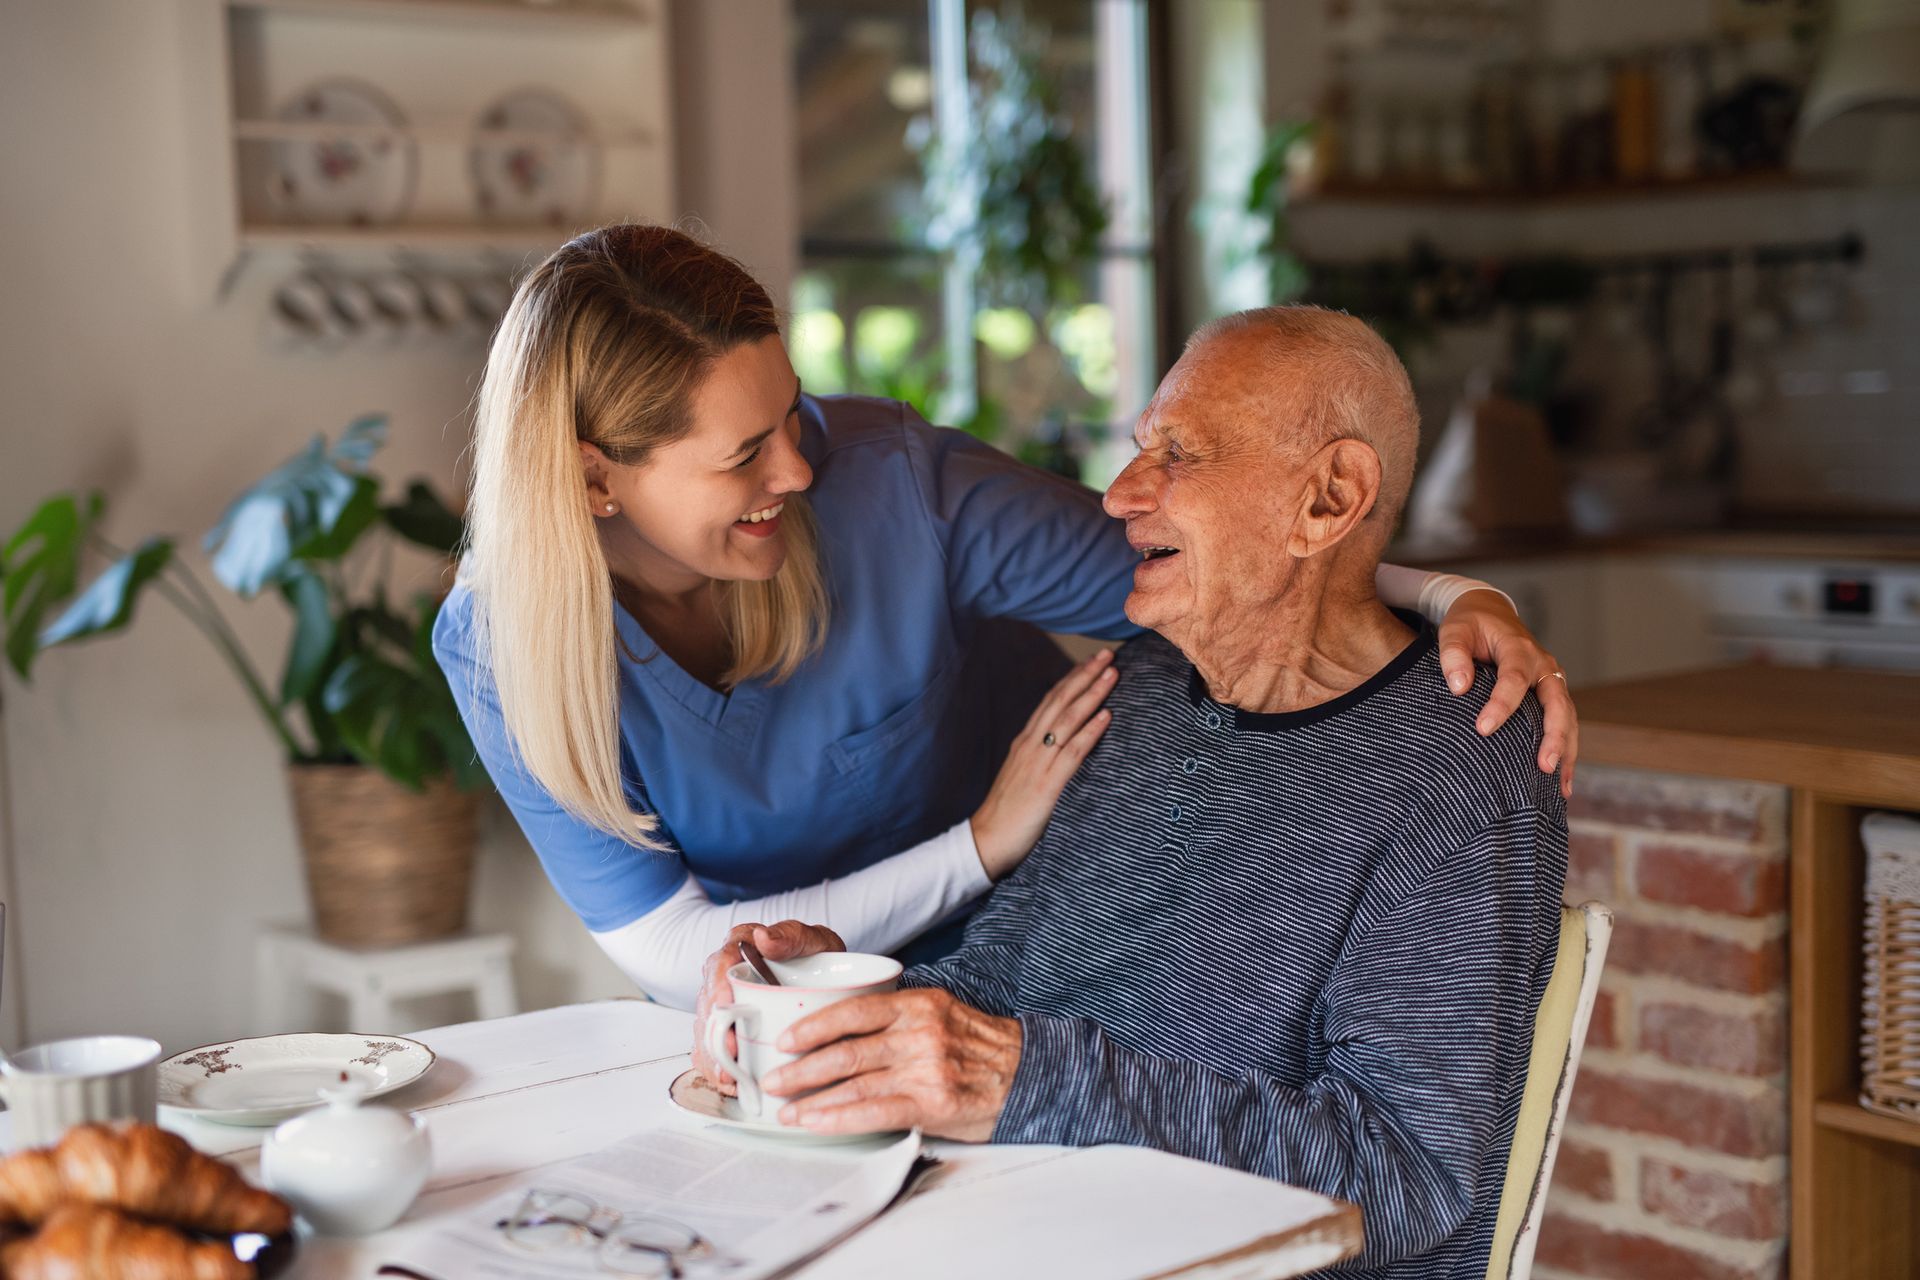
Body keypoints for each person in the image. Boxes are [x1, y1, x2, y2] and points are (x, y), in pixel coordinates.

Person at [434, 224, 1579, 1011]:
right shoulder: (501, 644)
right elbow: (681, 956)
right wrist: (981, 840)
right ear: (595, 479)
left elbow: (1225, 563)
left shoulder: (894, 488)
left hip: (1039, 975)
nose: (798, 461)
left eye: (793, 410)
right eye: (745, 453)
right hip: (786, 1014)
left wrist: (1454, 595)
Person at [704, 307, 1568, 1280]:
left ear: (1328, 499)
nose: (1118, 496)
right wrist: (843, 998)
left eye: (1179, 454)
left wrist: (1032, 1079)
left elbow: (1407, 1171)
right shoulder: (1143, 683)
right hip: (1025, 1231)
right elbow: (1002, 984)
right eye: (1136, 450)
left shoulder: (1459, 760)